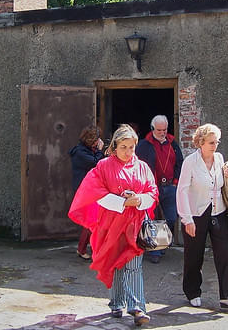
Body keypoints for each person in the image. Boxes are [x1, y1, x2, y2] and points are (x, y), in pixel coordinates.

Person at [68, 124, 158, 326]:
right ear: (115, 146)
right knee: (115, 262)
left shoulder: (142, 167)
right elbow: (95, 193)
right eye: (124, 147)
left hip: (135, 225)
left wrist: (140, 199)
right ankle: (116, 303)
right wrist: (123, 202)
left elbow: (153, 192)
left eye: (131, 147)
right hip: (111, 225)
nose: (128, 152)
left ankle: (137, 308)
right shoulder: (103, 166)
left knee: (133, 265)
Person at [176, 123, 228, 310]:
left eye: (217, 142)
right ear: (200, 143)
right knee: (194, 255)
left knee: (225, 254)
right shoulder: (191, 162)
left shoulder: (220, 158)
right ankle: (192, 292)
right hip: (196, 213)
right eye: (211, 142)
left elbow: (224, 183)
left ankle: (226, 296)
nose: (215, 146)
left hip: (218, 212)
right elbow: (182, 191)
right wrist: (187, 218)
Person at [136, 115, 183, 264]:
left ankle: (161, 244)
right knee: (152, 220)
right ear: (152, 129)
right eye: (159, 130)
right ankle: (155, 250)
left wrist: (175, 182)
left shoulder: (172, 143)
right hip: (152, 188)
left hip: (169, 186)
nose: (162, 132)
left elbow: (180, 162)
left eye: (164, 129)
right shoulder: (144, 145)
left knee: (170, 218)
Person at [69, 125, 105, 260]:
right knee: (92, 220)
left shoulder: (86, 150)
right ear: (91, 140)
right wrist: (100, 151)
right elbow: (97, 163)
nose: (98, 142)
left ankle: (84, 248)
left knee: (92, 220)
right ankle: (83, 248)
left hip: (90, 189)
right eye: (96, 139)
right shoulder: (80, 152)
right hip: (86, 191)